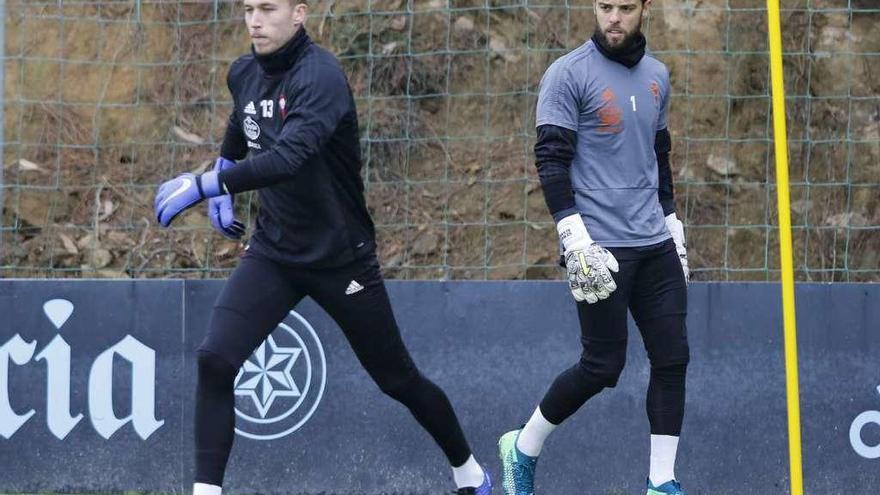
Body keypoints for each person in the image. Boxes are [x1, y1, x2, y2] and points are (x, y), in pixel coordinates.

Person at [152, 1, 491, 494]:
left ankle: (471, 474)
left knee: (398, 381)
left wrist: (209, 185)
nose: (255, 20)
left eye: (268, 9)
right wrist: (224, 164)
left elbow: (289, 157)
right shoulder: (243, 71)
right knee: (215, 359)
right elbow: (242, 121)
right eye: (249, 9)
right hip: (274, 252)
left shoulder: (322, 77)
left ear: (299, 14)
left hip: (339, 257)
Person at [497, 1, 690, 494]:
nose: (614, 18)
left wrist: (672, 222)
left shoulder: (658, 77)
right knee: (603, 367)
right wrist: (571, 233)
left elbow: (658, 154)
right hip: (599, 247)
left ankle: (661, 482)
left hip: (655, 243)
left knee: (673, 358)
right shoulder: (567, 74)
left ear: (645, 8)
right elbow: (551, 158)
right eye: (606, 6)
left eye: (626, 7)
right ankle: (522, 446)